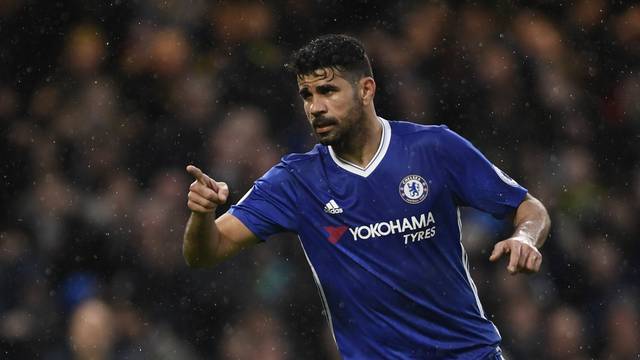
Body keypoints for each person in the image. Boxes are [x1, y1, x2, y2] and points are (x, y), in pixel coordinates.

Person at [183, 34, 551, 359]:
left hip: (468, 354)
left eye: (327, 91)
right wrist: (201, 215)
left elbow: (528, 206)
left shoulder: (433, 148)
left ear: (366, 89)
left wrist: (524, 236)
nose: (315, 107)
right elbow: (205, 252)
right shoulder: (295, 181)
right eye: (307, 95)